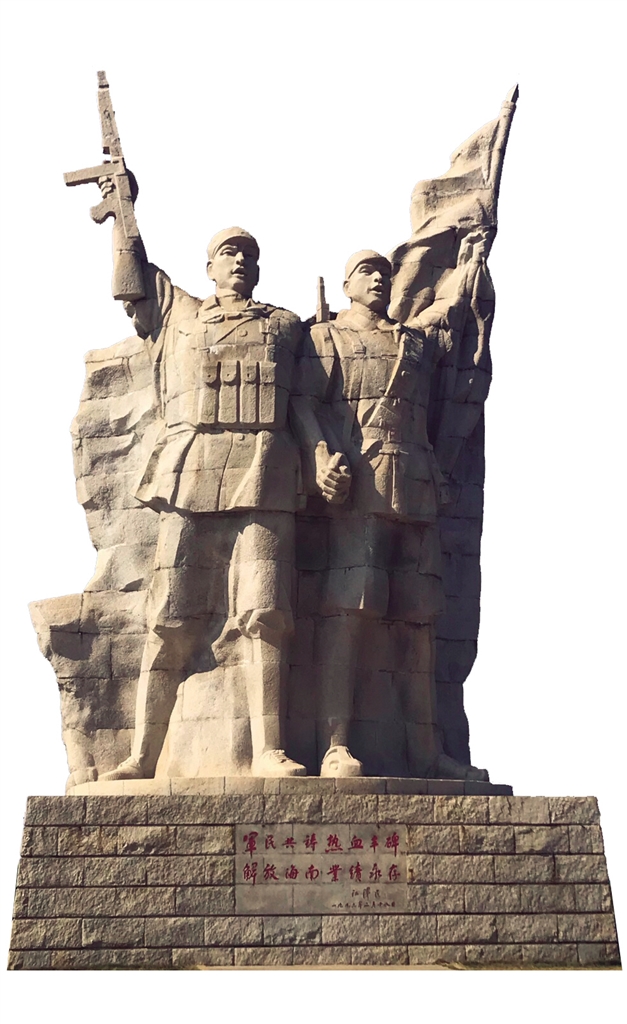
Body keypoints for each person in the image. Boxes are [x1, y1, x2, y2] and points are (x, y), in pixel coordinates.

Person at [96, 182, 309, 778]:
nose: (240, 261)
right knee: (167, 616)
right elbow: (133, 281)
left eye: (249, 255)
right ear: (209, 266)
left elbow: (309, 402)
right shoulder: (182, 317)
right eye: (228, 252)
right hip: (190, 472)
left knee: (267, 615)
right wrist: (122, 213)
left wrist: (321, 456)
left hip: (265, 473)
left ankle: (268, 750)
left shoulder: (286, 326)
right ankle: (143, 756)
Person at [292, 250, 488, 780]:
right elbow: (303, 403)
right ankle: (335, 745)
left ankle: (427, 751)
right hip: (360, 483)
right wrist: (320, 457)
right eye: (367, 271)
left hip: (417, 484)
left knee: (419, 619)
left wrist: (470, 261)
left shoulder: (413, 343)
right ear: (347, 285)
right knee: (350, 612)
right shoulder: (325, 338)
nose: (379, 277)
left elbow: (454, 320)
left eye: (385, 271)